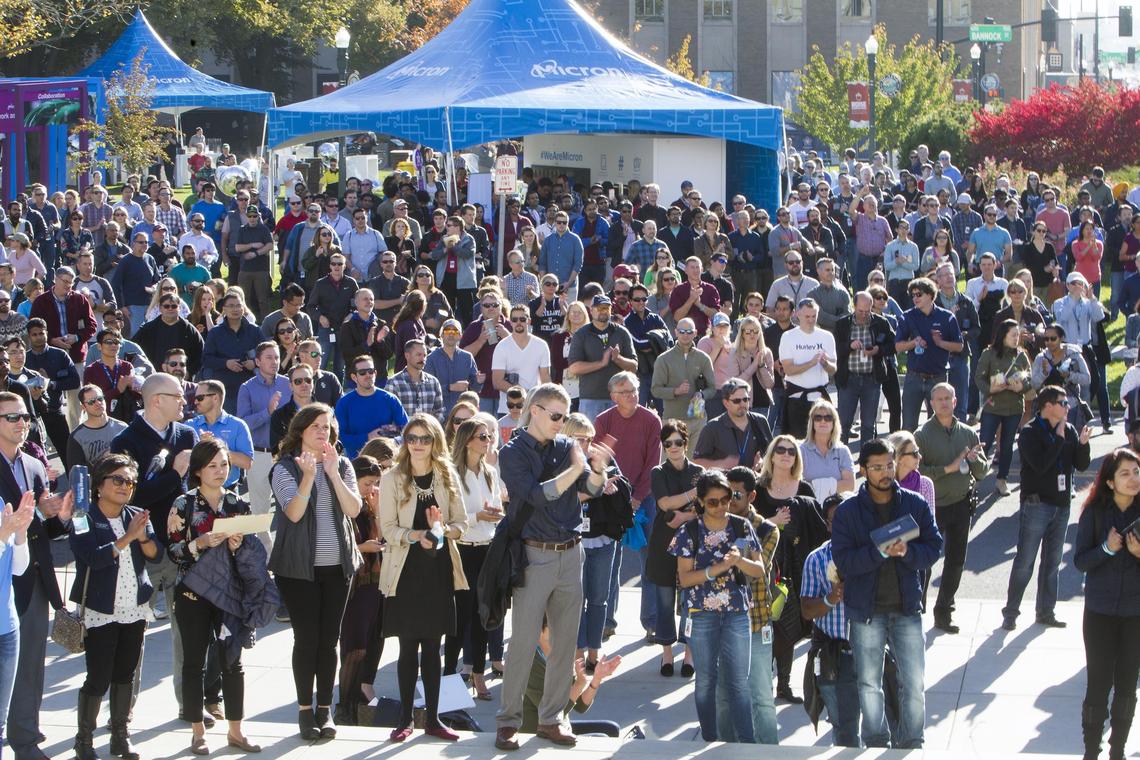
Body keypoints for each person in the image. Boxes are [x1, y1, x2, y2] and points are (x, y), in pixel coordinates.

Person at [494, 384, 610, 752]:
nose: (561, 422)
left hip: (571, 552)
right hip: (534, 554)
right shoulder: (511, 451)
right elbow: (536, 496)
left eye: (566, 415)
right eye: (557, 415)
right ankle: (508, 721)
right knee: (523, 642)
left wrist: (597, 470)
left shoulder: (567, 446)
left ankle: (552, 718)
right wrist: (575, 469)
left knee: (565, 644)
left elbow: (593, 488)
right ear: (536, 411)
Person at [831, 439, 943, 749]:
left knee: (914, 684)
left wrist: (908, 552)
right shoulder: (848, 511)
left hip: (907, 607)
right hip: (866, 611)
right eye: (877, 467)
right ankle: (876, 743)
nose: (885, 472)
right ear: (863, 470)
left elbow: (934, 547)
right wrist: (879, 552)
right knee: (869, 684)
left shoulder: (914, 503)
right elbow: (844, 561)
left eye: (890, 465)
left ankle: (912, 743)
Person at [269, 403, 363, 741]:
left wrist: (333, 473)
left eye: (327, 426)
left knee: (329, 641)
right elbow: (294, 513)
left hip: (338, 567)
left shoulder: (343, 464)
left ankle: (325, 709)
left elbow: (354, 509)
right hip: (298, 570)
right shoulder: (284, 467)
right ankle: (304, 710)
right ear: (301, 430)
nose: (323, 432)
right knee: (307, 640)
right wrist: (308, 477)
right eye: (316, 426)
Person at [165, 439, 263, 755]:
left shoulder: (237, 503)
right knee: (194, 663)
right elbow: (174, 551)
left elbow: (252, 552)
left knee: (233, 662)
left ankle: (236, 730)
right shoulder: (183, 504)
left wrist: (238, 546)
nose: (220, 471)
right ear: (198, 471)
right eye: (212, 466)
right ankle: (197, 732)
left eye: (224, 464)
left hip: (230, 594)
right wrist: (201, 543)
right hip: (193, 593)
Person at [375, 414, 468, 743]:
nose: (417, 444)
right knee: (407, 646)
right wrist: (418, 535)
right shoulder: (392, 478)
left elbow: (462, 524)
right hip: (405, 569)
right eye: (411, 438)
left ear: (435, 441)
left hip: (438, 569)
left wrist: (440, 531)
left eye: (424, 439)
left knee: (432, 647)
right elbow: (388, 530)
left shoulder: (447, 474)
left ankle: (433, 719)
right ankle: (404, 719)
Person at [69, 453, 162, 760]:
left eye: (130, 482)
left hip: (134, 607)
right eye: (118, 480)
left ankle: (120, 737)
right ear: (99, 484)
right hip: (101, 608)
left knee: (125, 674)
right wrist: (128, 537)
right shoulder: (83, 516)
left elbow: (156, 555)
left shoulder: (134, 514)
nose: (125, 486)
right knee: (98, 677)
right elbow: (91, 558)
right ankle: (84, 742)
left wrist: (143, 538)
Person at [669, 469, 765, 743]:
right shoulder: (689, 531)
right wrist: (718, 569)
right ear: (700, 501)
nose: (721, 506)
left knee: (739, 683)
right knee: (705, 682)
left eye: (726, 499)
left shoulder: (741, 526)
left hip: (737, 613)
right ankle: (710, 740)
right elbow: (685, 579)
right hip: (701, 614)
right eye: (713, 502)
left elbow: (759, 570)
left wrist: (739, 562)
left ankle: (747, 744)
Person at [0, 391, 67, 760]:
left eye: (25, 416)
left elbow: (46, 528)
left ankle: (25, 741)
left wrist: (57, 514)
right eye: (12, 417)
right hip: (3, 579)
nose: (22, 422)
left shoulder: (34, 464)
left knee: (29, 666)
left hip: (35, 575)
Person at [1002, 385, 1092, 631]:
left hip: (1062, 505)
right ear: (1048, 406)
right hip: (1037, 505)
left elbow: (1081, 465)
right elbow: (1040, 465)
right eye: (1063, 403)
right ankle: (1011, 613)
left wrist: (1083, 444)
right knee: (1025, 562)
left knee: (1052, 563)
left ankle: (1046, 612)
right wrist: (1059, 440)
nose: (1068, 407)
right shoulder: (1030, 432)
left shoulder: (1069, 429)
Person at [1073, 449, 1140, 760]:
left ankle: (1118, 750)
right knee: (1098, 684)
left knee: (1127, 686)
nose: (1133, 479)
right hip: (1100, 612)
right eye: (1125, 473)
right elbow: (1080, 561)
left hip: (1135, 613)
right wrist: (1107, 548)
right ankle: (1091, 750)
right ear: (1110, 482)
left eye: (1137, 472)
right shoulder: (1095, 513)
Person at [754, 434, 826, 704]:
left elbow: (816, 527)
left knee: (790, 627)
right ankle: (762, 682)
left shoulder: (804, 488)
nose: (786, 455)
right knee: (767, 627)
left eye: (791, 451)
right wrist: (773, 521)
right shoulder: (759, 488)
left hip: (796, 567)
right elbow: (745, 524)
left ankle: (783, 684)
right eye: (780, 450)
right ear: (771, 455)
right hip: (764, 567)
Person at [593, 372, 662, 644]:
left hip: (645, 496)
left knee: (651, 562)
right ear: (613, 396)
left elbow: (653, 463)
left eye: (634, 390)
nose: (632, 395)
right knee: (610, 562)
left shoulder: (651, 420)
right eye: (625, 392)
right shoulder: (603, 421)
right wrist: (620, 496)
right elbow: (599, 461)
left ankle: (652, 622)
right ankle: (606, 622)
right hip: (611, 497)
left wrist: (637, 497)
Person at [714, 466, 780, 745]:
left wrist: (728, 560)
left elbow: (755, 572)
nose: (728, 501)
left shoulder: (767, 530)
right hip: (722, 623)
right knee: (722, 697)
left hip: (756, 622)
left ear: (752, 496)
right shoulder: (712, 524)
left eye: (736, 495)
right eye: (725, 494)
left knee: (761, 696)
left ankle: (768, 752)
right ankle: (723, 749)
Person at [443, 417, 502, 700]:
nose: (488, 441)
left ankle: (479, 675)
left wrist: (494, 513)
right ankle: (448, 680)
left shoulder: (490, 472)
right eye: (482, 436)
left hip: (487, 548)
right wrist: (478, 516)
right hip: (462, 550)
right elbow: (447, 519)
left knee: (483, 616)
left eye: (489, 436)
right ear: (467, 441)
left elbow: (497, 506)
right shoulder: (452, 473)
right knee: (458, 618)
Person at [800, 492, 859, 748]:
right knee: (844, 726)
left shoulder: (870, 553)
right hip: (833, 653)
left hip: (869, 649)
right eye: (837, 519)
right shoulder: (816, 559)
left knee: (876, 723)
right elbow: (806, 610)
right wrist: (831, 598)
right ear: (828, 525)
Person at [646, 419, 699, 675]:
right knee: (665, 602)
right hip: (663, 544)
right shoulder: (658, 472)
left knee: (690, 603)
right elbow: (665, 504)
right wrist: (692, 495)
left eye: (678, 442)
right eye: (668, 443)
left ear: (686, 443)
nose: (673, 447)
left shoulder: (699, 472)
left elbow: (706, 508)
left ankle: (689, 654)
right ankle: (666, 654)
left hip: (693, 544)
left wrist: (684, 515)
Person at [894, 277, 964, 430]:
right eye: (912, 295)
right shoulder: (907, 316)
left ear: (930, 295)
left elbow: (959, 346)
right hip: (914, 377)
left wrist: (940, 343)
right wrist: (913, 343)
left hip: (938, 377)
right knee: (908, 425)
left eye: (919, 294)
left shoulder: (947, 317)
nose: (915, 298)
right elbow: (898, 346)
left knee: (939, 424)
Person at [976, 320, 1033, 495]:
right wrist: (990, 389)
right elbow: (978, 378)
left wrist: (1021, 387)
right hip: (992, 406)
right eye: (1013, 335)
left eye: (1018, 335)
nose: (1017, 338)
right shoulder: (989, 354)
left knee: (1007, 446)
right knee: (984, 443)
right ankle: (975, 479)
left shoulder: (1021, 356)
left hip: (1014, 407)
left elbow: (1029, 379)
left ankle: (1002, 480)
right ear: (1003, 336)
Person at [834, 291, 895, 446]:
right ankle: (840, 457)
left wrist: (878, 350)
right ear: (854, 307)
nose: (864, 315)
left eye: (867, 311)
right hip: (849, 379)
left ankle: (867, 459)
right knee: (843, 423)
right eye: (860, 311)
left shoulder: (881, 323)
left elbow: (893, 345)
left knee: (868, 424)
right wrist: (849, 346)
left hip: (871, 380)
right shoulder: (842, 324)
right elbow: (834, 350)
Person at [651, 318, 716, 453]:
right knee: (670, 461)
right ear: (675, 332)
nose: (685, 335)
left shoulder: (703, 358)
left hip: (698, 419)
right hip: (672, 419)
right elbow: (655, 390)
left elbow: (712, 388)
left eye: (689, 331)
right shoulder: (663, 359)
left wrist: (701, 394)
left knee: (695, 461)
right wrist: (675, 391)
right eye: (681, 331)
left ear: (695, 333)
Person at [566, 295, 636, 419]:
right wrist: (601, 363)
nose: (603, 311)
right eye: (599, 308)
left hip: (620, 398)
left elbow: (634, 366)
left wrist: (618, 359)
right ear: (591, 310)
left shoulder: (622, 332)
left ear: (611, 310)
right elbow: (574, 368)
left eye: (606, 308)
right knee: (591, 432)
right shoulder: (581, 334)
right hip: (590, 399)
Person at [777, 298, 836, 439]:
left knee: (822, 440)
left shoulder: (827, 336)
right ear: (798, 314)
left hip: (819, 398)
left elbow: (833, 369)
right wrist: (811, 363)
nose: (811, 320)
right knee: (797, 442)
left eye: (814, 316)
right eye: (807, 316)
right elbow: (789, 370)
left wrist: (825, 364)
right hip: (796, 398)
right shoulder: (788, 336)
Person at [334, 356, 408, 458]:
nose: (368, 375)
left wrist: (390, 435)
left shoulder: (390, 399)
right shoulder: (344, 403)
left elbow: (407, 430)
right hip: (356, 462)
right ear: (354, 377)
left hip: (387, 460)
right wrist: (367, 437)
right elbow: (339, 437)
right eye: (362, 372)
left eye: (371, 371)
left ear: (375, 374)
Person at [693, 377, 774, 471]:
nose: (742, 404)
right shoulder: (712, 427)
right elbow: (697, 462)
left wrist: (762, 461)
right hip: (725, 480)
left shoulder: (760, 421)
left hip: (756, 478)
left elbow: (773, 452)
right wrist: (722, 464)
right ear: (726, 403)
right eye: (737, 401)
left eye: (745, 399)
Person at [187, 379, 254, 490]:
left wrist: (215, 447)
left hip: (229, 490)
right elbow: (183, 460)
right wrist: (201, 446)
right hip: (196, 490)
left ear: (215, 398)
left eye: (200, 398)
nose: (196, 402)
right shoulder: (190, 425)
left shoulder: (238, 425)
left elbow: (247, 463)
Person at [201, 291, 260, 414]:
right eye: (231, 306)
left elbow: (266, 352)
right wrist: (226, 363)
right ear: (224, 309)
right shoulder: (215, 333)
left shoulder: (254, 330)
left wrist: (254, 362)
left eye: (238, 305)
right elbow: (206, 359)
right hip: (225, 389)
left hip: (251, 386)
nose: (235, 309)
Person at [492, 304, 551, 413]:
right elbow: (497, 381)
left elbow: (545, 378)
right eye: (515, 320)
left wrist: (545, 401)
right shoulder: (501, 347)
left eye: (522, 319)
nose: (518, 322)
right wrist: (522, 394)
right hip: (508, 409)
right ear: (510, 322)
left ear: (529, 321)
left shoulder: (541, 345)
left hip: (533, 408)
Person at [800, 399, 855, 500]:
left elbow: (850, 485)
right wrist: (832, 485)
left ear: (834, 422)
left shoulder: (843, 451)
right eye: (818, 417)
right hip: (809, 504)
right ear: (812, 422)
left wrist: (816, 486)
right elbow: (796, 486)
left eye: (828, 418)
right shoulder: (801, 450)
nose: (823, 421)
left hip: (838, 505)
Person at [67, 384, 128, 468]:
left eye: (100, 399)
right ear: (83, 407)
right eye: (91, 402)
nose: (98, 403)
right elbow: (77, 472)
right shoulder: (77, 437)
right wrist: (104, 461)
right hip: (97, 476)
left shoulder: (123, 427)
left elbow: (134, 459)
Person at [425, 318, 480, 411]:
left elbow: (475, 389)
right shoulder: (431, 358)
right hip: (438, 412)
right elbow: (427, 389)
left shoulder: (467, 357)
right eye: (447, 331)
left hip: (463, 412)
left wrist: (478, 381)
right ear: (441, 335)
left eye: (455, 331)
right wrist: (450, 387)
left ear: (460, 336)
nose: (451, 334)